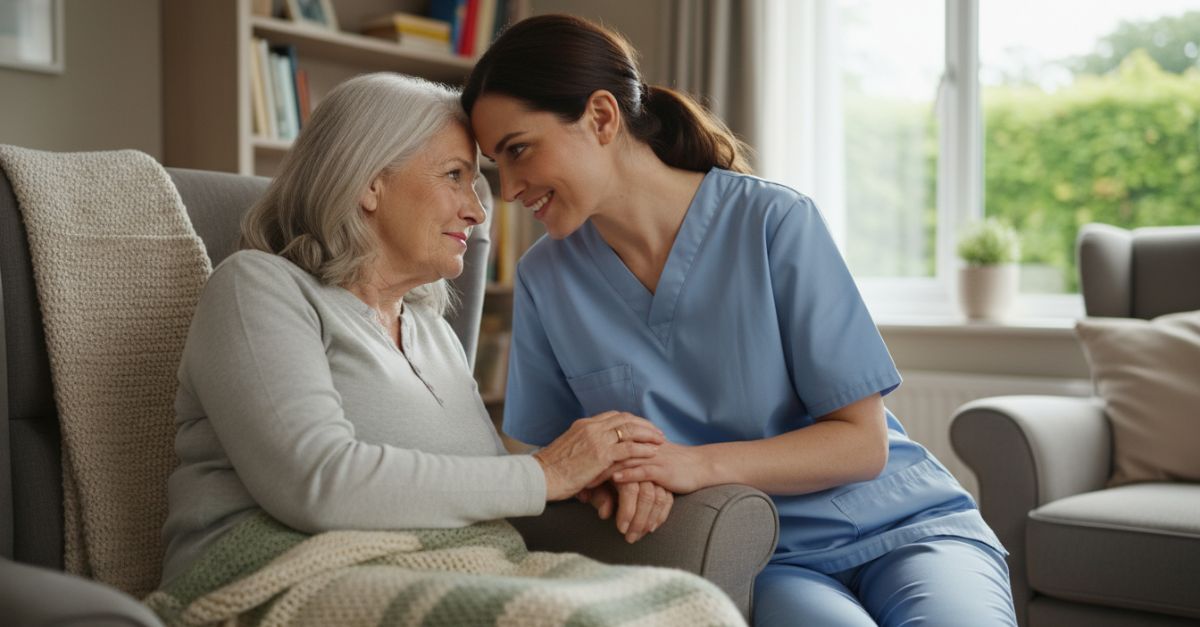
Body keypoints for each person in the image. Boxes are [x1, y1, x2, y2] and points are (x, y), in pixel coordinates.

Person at [462, 14, 1018, 627]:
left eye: (518, 150)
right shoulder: (545, 278)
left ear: (600, 116)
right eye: (495, 164)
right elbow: (559, 455)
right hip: (766, 557)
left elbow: (862, 443)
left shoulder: (775, 223)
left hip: (908, 524)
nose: (508, 189)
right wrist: (615, 477)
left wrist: (691, 465)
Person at [158, 72, 669, 587]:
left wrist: (586, 479)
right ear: (369, 183)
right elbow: (316, 483)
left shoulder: (432, 333)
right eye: (454, 176)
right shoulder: (258, 287)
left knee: (684, 605)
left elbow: (481, 486)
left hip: (442, 570)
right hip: (277, 577)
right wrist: (547, 474)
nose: (475, 210)